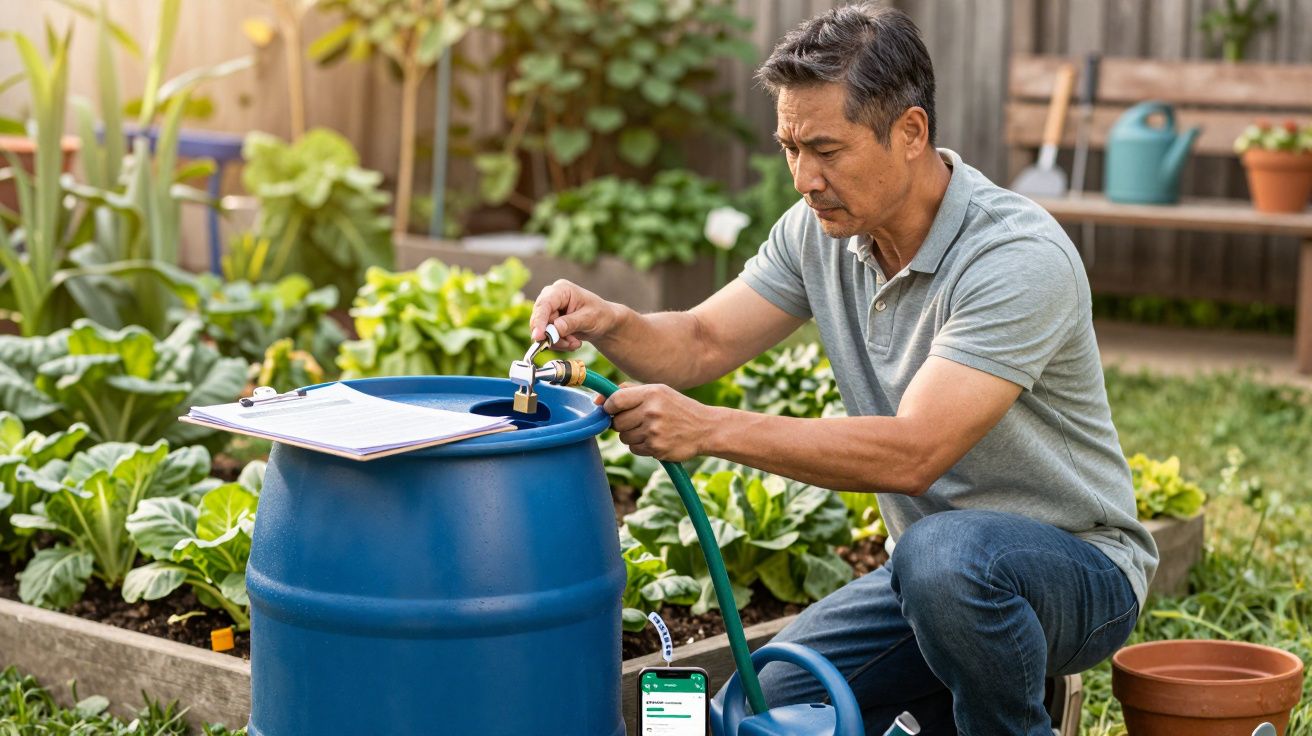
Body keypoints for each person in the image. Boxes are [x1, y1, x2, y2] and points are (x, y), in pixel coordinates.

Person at [528, 4, 1156, 734]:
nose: (803, 177)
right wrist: (611, 322)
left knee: (946, 559)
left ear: (911, 132)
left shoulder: (1014, 258)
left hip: (1078, 571)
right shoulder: (821, 232)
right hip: (925, 580)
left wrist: (708, 429)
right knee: (772, 694)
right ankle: (976, 690)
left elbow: (916, 452)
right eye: (790, 147)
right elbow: (699, 342)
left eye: (826, 148)